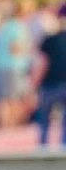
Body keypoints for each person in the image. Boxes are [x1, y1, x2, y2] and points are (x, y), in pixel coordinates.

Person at [35, 12, 66, 146]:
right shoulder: (49, 39)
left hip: (50, 85)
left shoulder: (49, 39)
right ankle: (63, 145)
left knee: (44, 118)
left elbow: (43, 63)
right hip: (59, 83)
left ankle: (43, 145)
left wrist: (34, 83)